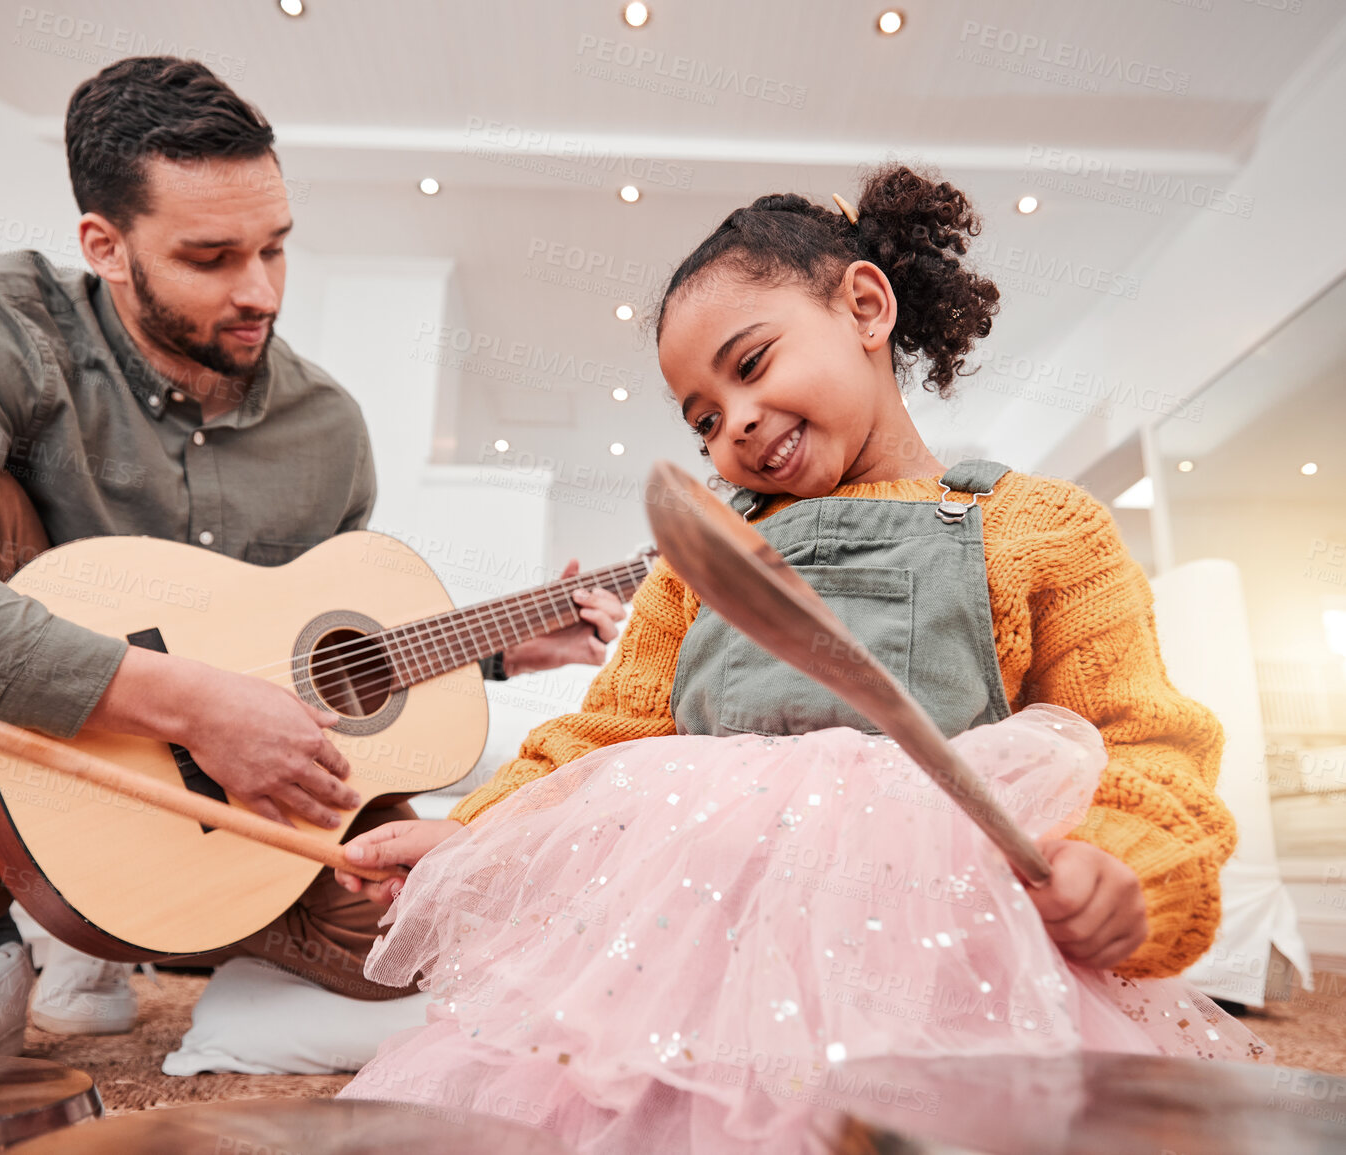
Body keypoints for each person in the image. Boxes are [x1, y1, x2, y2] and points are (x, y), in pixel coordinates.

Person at [0, 56, 624, 1062]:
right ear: (106, 245)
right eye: (211, 257)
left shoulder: (328, 431)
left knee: (424, 939)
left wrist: (492, 654)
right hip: (14, 743)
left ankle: (124, 924)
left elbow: (288, 642)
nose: (261, 291)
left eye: (277, 248)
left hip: (208, 817)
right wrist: (185, 705)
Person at [330, 165, 1267, 1152]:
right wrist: (475, 831)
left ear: (865, 306)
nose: (730, 420)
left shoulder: (1037, 528)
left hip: (946, 951)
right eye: (700, 417)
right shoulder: (700, 560)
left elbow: (1144, 738)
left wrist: (1125, 867)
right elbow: (605, 732)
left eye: (752, 362)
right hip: (702, 969)